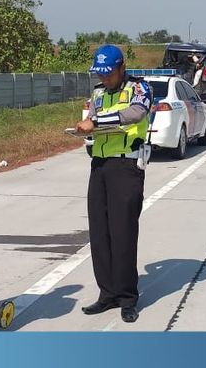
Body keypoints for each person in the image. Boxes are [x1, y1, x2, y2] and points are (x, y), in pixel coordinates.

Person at [75, 44, 152, 323]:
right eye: (101, 74)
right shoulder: (97, 93)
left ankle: (127, 297)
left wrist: (95, 121)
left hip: (126, 166)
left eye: (109, 73)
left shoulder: (139, 89)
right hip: (100, 166)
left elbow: (135, 115)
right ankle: (106, 293)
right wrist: (84, 131)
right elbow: (90, 124)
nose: (105, 79)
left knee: (123, 233)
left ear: (122, 68)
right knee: (99, 232)